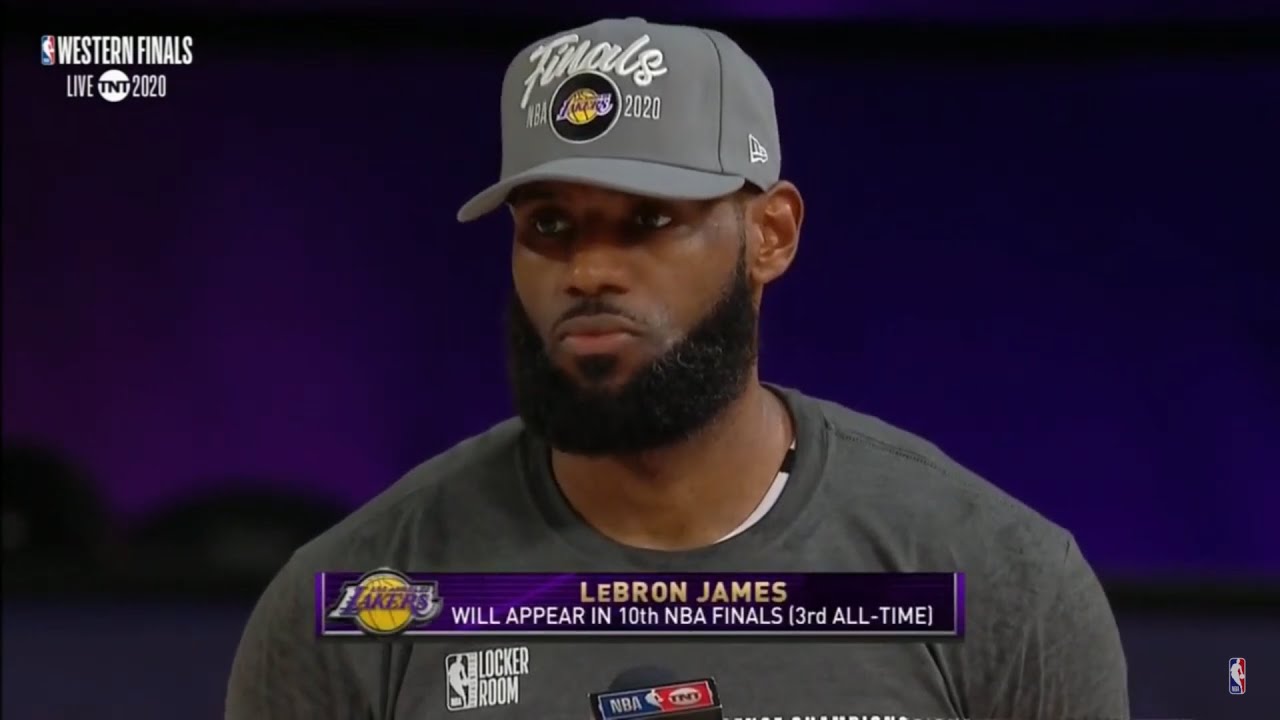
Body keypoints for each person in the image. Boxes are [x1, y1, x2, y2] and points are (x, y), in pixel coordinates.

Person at [226, 16, 1129, 720]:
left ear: (770, 234)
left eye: (649, 220)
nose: (589, 271)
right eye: (550, 226)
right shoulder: (353, 604)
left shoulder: (996, 585)